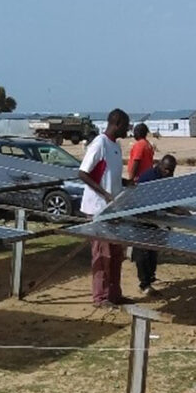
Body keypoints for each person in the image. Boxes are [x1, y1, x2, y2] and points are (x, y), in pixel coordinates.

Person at [78, 108, 131, 308]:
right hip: (97, 210)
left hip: (113, 210)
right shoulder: (99, 144)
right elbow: (83, 174)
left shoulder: (115, 147)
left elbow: (110, 177)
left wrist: (126, 183)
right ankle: (100, 298)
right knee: (102, 254)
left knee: (117, 254)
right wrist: (105, 194)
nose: (128, 130)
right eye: (126, 125)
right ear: (116, 123)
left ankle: (115, 295)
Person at [130, 155, 184, 296]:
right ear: (160, 165)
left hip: (154, 218)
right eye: (167, 169)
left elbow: (167, 197)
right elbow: (152, 200)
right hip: (141, 217)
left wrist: (174, 207)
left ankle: (150, 277)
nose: (169, 173)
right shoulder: (149, 178)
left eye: (172, 171)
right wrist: (173, 210)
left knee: (154, 249)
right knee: (143, 251)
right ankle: (144, 284)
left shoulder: (164, 177)